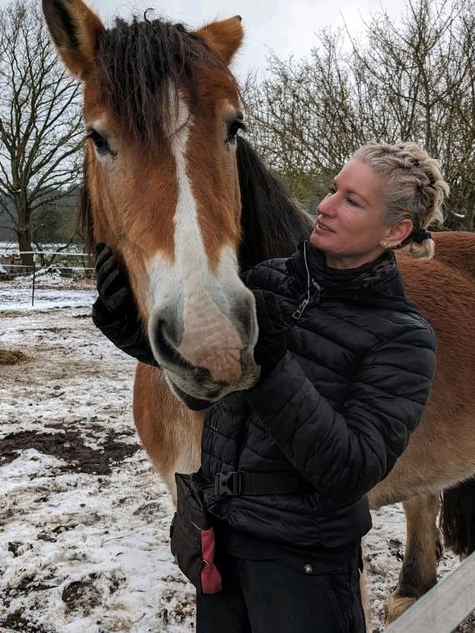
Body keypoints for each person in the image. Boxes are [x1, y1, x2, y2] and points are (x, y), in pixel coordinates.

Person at [92, 142, 450, 633]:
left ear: (395, 231)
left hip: (305, 568)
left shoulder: (403, 336)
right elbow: (206, 391)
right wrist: (128, 327)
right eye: (333, 190)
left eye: (352, 201)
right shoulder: (261, 282)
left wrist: (270, 365)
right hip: (221, 548)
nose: (324, 207)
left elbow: (350, 469)